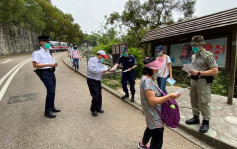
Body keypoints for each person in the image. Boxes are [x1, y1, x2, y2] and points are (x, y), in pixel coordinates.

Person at [138, 57, 180, 149]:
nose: (158, 68)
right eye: (156, 67)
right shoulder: (147, 81)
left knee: (150, 127)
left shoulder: (145, 78)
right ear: (152, 69)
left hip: (150, 113)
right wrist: (169, 96)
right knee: (157, 134)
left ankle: (142, 144)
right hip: (153, 113)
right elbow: (152, 101)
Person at [186, 35, 218, 133]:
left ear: (201, 45)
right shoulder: (193, 55)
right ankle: (196, 117)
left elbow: (215, 71)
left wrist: (200, 73)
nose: (194, 47)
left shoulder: (208, 55)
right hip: (193, 81)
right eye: (193, 45)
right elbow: (194, 67)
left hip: (203, 81)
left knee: (203, 102)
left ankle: (205, 121)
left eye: (196, 45)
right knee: (194, 100)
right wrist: (190, 72)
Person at [32, 35, 60, 118]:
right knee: (50, 91)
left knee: (53, 91)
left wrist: (54, 64)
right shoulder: (37, 52)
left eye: (49, 42)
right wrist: (49, 64)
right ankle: (47, 111)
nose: (49, 44)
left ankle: (52, 107)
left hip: (51, 72)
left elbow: (52, 61)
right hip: (45, 73)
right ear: (41, 42)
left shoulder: (48, 51)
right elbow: (35, 65)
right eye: (47, 42)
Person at [87, 50, 108, 116]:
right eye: (103, 57)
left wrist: (105, 69)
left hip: (98, 80)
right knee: (95, 95)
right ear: (99, 55)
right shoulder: (92, 60)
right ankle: (93, 109)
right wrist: (102, 70)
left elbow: (101, 69)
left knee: (99, 94)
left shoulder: (100, 62)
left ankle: (98, 107)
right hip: (92, 80)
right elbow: (91, 69)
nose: (103, 58)